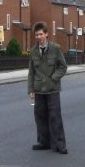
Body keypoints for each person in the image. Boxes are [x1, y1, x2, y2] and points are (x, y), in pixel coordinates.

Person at [28, 22, 68, 154]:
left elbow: (63, 67)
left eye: (41, 34)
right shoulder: (33, 51)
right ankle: (43, 142)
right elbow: (31, 72)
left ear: (46, 34)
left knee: (55, 117)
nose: (39, 37)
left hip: (52, 89)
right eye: (36, 35)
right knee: (40, 117)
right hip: (39, 89)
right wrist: (31, 90)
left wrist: (53, 78)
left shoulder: (55, 48)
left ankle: (60, 144)